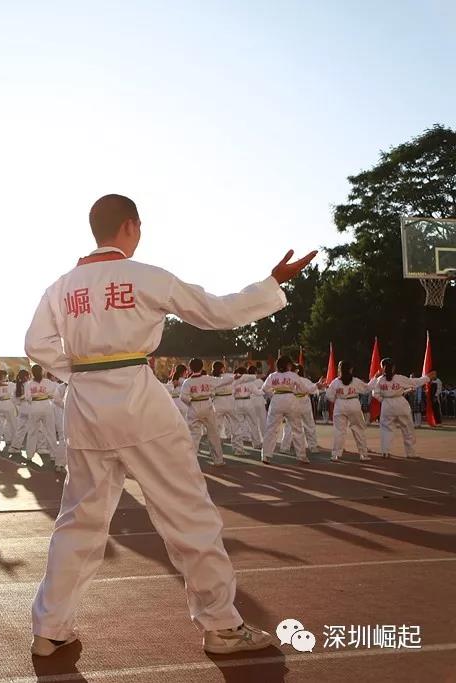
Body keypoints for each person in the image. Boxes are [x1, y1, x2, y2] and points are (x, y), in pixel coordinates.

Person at [24, 194, 315, 656]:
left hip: (85, 407)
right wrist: (272, 283)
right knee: (187, 512)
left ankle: (50, 627)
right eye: (139, 227)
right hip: (140, 403)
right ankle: (220, 624)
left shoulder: (61, 287)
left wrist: (82, 371)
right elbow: (217, 312)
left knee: (78, 520)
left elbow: (35, 345)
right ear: (130, 225)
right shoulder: (146, 276)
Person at [368, 358, 430, 459]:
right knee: (407, 428)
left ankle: (385, 451)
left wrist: (384, 400)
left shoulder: (379, 380)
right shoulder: (399, 378)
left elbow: (375, 394)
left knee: (386, 429)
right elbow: (414, 382)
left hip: (387, 404)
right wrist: (427, 378)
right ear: (393, 367)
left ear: (382, 368)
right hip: (401, 403)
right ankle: (410, 453)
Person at [325, 360, 371, 462]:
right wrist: (375, 379)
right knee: (358, 429)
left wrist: (336, 399)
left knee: (339, 431)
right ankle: (363, 454)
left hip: (340, 404)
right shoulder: (355, 381)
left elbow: (329, 395)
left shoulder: (335, 382)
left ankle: (336, 455)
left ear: (339, 370)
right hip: (353, 402)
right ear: (351, 369)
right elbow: (367, 389)